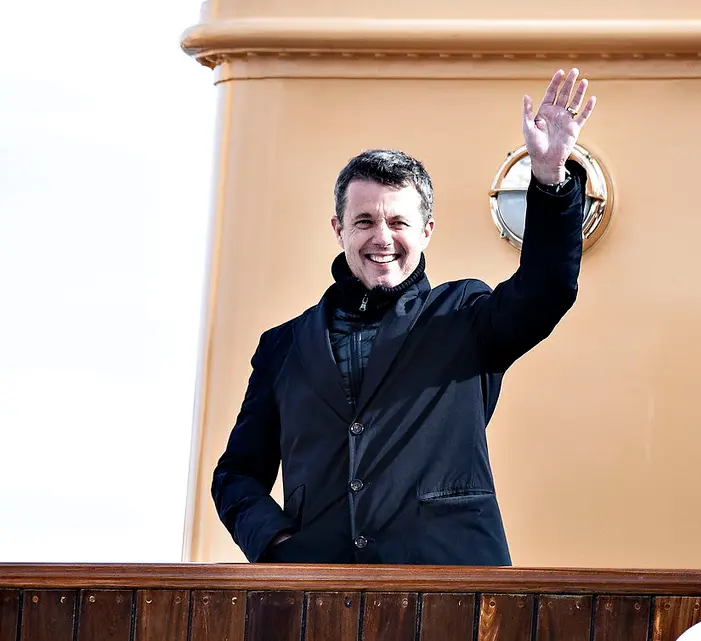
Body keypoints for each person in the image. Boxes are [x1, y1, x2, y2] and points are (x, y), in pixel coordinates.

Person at [212, 68, 597, 565]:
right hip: (322, 592)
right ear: (339, 229)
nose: (382, 238)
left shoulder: (464, 316)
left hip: (454, 588)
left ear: (426, 231)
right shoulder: (283, 346)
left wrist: (548, 179)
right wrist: (279, 544)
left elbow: (548, 289)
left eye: (398, 222)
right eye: (365, 221)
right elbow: (236, 475)